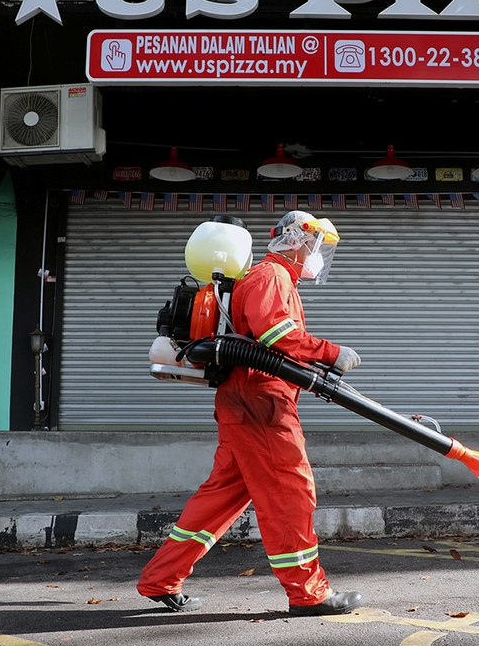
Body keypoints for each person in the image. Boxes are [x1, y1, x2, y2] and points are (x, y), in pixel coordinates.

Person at [137, 210, 364, 616]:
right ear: (295, 241)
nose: (317, 256)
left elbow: (274, 343)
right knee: (290, 492)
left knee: (220, 497)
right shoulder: (271, 277)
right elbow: (276, 334)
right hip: (260, 403)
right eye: (315, 246)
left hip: (247, 402)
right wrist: (331, 352)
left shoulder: (273, 279)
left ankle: (160, 579)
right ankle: (308, 593)